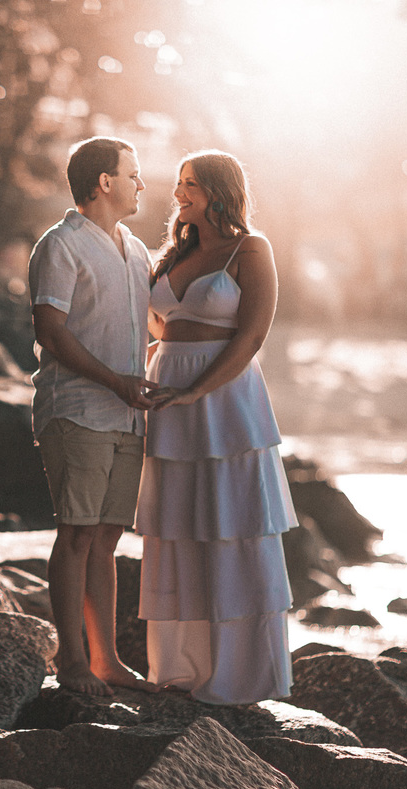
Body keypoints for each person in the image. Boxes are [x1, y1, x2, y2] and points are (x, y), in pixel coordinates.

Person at [135, 149, 297, 704]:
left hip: (226, 401)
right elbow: (158, 329)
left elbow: (251, 337)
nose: (179, 194)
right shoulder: (172, 255)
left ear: (221, 192)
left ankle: (240, 676)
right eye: (180, 183)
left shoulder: (250, 249)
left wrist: (200, 389)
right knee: (178, 529)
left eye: (192, 186)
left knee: (233, 526)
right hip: (168, 402)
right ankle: (181, 670)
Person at [28, 136, 159, 696]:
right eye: (133, 174)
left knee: (106, 536)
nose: (141, 184)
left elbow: (150, 328)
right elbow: (49, 331)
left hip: (127, 417)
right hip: (77, 409)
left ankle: (106, 660)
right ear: (105, 182)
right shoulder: (60, 246)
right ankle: (72, 662)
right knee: (77, 533)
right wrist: (114, 381)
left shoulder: (136, 249)